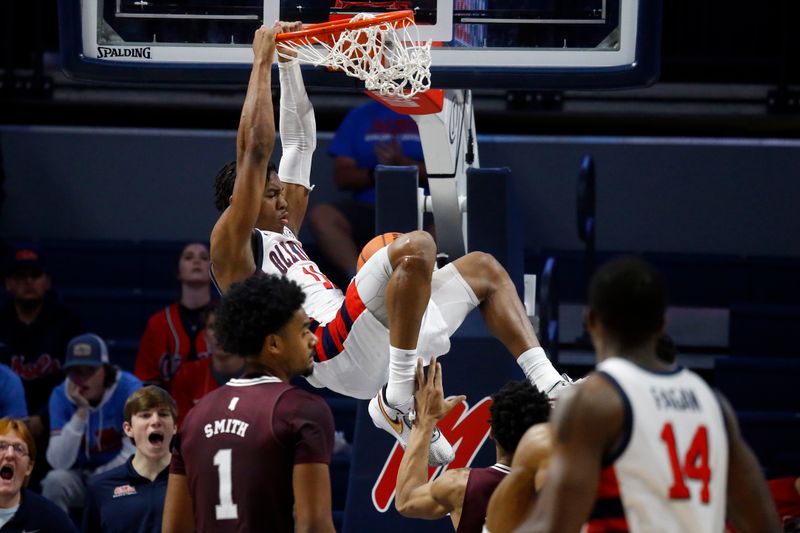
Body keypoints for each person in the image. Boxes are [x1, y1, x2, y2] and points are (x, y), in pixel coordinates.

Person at [209, 11, 570, 467]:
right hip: (325, 349)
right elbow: (255, 151)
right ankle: (399, 394)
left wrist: (288, 63)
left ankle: (549, 384)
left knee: (485, 270)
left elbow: (300, 144)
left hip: (368, 340)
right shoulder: (232, 248)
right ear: (239, 201)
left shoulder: (284, 229)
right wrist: (261, 62)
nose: (285, 200)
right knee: (409, 246)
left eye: (283, 192)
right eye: (271, 193)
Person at [519, 257, 780, 532]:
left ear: (591, 320)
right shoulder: (714, 404)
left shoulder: (593, 401)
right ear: (662, 323)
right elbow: (765, 526)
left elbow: (552, 525)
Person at [162, 272, 336, 532]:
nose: (313, 339)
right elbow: (313, 525)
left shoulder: (196, 416)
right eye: (303, 331)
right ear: (274, 344)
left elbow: (174, 528)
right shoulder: (302, 410)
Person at [395, 358, 551, 533]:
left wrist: (426, 421)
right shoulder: (562, 491)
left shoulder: (461, 485)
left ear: (492, 433)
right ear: (544, 435)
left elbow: (406, 501)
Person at [308, 100, 427, 285]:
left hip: (420, 206)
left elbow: (448, 171)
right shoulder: (359, 115)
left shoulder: (429, 112)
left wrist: (403, 164)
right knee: (322, 215)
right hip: (368, 207)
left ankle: (420, 284)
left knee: (447, 218)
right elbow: (342, 176)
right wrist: (378, 172)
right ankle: (359, 281)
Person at [0, 243, 83, 490]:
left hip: (53, 418)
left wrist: (42, 418)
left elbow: (80, 378)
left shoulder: (68, 323)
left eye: (35, 276)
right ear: (8, 283)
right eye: (20, 276)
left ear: (47, 281)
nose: (28, 282)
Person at [42, 333, 143, 513]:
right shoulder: (60, 395)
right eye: (75, 371)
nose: (81, 378)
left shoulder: (129, 390)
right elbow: (58, 462)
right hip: (81, 476)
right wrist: (81, 413)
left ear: (106, 370)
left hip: (122, 478)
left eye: (89, 370)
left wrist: (99, 480)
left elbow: (135, 455)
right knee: (54, 481)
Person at [82, 386, 178, 533]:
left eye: (163, 414)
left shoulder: (191, 481)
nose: (155, 421)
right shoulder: (100, 487)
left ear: (175, 428)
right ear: (128, 429)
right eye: (145, 415)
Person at [135, 242, 211, 389]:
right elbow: (145, 379)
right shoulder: (158, 323)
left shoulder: (227, 321)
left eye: (204, 257)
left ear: (214, 270)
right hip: (169, 408)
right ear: (178, 271)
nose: (197, 261)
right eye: (188, 257)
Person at [169, 303, 245, 426]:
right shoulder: (187, 376)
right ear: (204, 335)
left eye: (227, 326)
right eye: (213, 327)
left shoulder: (262, 376)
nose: (219, 334)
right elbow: (180, 432)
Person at [0, 417, 77, 532]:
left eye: (19, 449)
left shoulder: (51, 519)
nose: (10, 454)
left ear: (29, 468)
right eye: (1, 446)